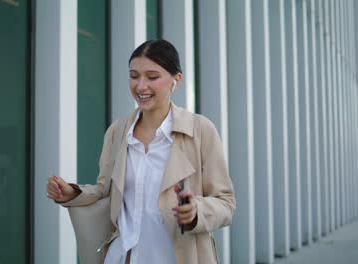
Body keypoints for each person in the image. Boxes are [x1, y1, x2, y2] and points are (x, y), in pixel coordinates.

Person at [46, 39, 235, 264]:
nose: (141, 86)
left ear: (176, 80)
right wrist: (74, 194)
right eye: (134, 76)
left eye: (152, 77)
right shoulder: (118, 131)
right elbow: (105, 192)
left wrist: (197, 211)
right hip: (123, 256)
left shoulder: (201, 130)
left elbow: (225, 203)